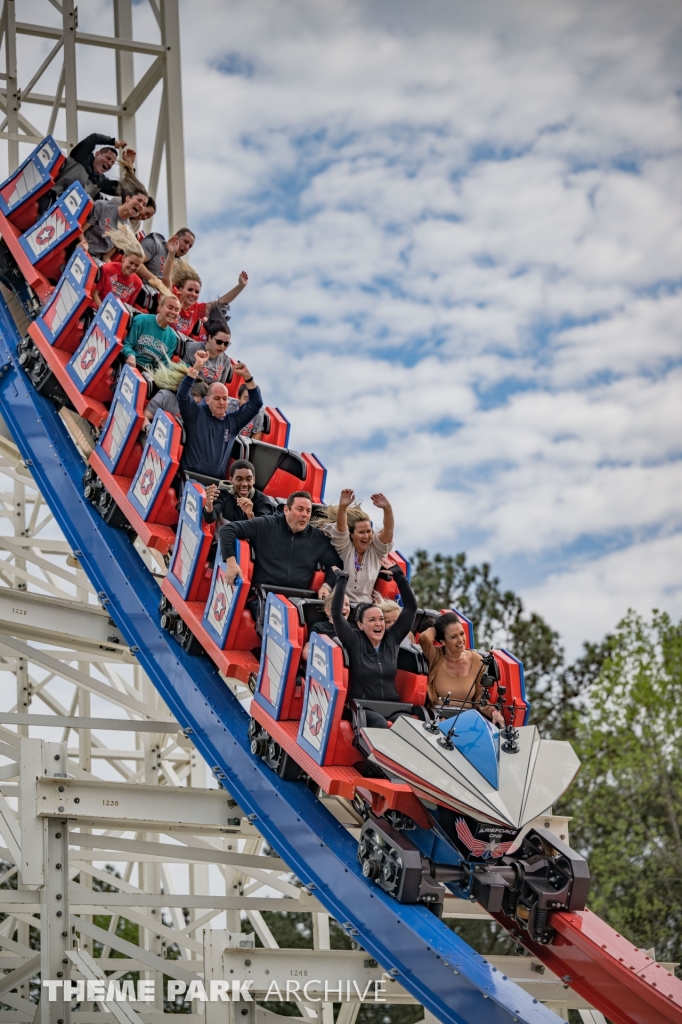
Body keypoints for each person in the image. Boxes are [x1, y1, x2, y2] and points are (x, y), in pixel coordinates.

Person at [330, 564, 420, 728]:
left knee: (410, 725)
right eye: (372, 620)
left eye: (381, 619)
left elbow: (411, 608)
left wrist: (400, 577)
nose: (378, 624)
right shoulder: (354, 640)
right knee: (380, 724)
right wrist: (342, 581)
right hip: (362, 707)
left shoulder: (391, 639)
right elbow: (336, 614)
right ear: (360, 625)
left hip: (392, 706)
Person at [219, 491, 343, 601]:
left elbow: (336, 564)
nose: (305, 514)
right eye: (300, 509)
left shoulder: (317, 538)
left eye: (308, 511)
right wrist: (231, 563)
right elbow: (227, 530)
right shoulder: (267, 524)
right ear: (286, 510)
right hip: (264, 597)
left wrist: (327, 586)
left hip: (299, 600)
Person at [177, 354, 262, 479]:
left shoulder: (233, 421)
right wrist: (197, 366)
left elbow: (256, 403)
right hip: (189, 478)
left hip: (216, 484)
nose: (221, 402)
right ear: (207, 400)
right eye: (217, 398)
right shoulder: (195, 413)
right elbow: (182, 395)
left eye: (225, 399)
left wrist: (247, 377)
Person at [419, 613, 504, 726]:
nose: (460, 640)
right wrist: (437, 628)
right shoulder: (436, 655)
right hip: (438, 718)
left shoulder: (477, 660)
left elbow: (479, 699)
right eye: (453, 637)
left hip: (468, 720)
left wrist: (493, 712)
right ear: (443, 641)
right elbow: (423, 638)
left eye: (462, 634)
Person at [317, 489, 394, 605]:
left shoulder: (376, 551)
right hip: (340, 606)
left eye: (369, 531)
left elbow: (388, 532)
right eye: (361, 532)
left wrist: (387, 509)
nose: (366, 536)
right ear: (351, 534)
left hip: (364, 609)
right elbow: (341, 529)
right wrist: (342, 507)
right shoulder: (345, 547)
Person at [170, 263, 248, 339]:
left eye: (197, 292)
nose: (193, 294)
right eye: (190, 290)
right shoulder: (171, 295)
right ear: (180, 289)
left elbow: (220, 303)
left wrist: (241, 286)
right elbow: (166, 278)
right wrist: (171, 254)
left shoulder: (197, 309)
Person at [51, 134, 135, 200]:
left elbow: (125, 189)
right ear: (97, 154)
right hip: (51, 197)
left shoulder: (101, 182)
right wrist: (114, 142)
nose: (109, 163)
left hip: (64, 214)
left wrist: (129, 165)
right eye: (108, 158)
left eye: (112, 163)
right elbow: (94, 138)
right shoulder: (81, 156)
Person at [203, 460, 277, 525]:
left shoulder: (263, 501)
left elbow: (261, 534)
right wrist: (209, 505)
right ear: (231, 479)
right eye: (239, 479)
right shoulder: (222, 494)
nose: (244, 484)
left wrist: (250, 514)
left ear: (253, 480)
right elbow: (210, 519)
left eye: (248, 479)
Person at [83, 189, 148, 260]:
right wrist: (83, 242)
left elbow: (106, 257)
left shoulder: (127, 232)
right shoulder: (103, 206)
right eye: (139, 200)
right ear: (128, 198)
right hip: (81, 247)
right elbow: (81, 229)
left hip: (94, 260)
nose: (141, 205)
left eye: (144, 205)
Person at [122, 294, 182, 369]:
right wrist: (130, 355)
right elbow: (127, 344)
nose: (173, 312)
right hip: (129, 365)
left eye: (176, 310)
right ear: (160, 308)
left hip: (149, 374)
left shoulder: (173, 338)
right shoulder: (141, 320)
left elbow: (164, 364)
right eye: (170, 308)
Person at [92, 224, 144, 307]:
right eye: (131, 263)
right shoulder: (108, 268)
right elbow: (95, 294)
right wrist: (103, 312)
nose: (133, 267)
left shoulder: (138, 283)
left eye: (137, 265)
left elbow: (127, 307)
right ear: (124, 258)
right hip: (97, 308)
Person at [185, 306, 233, 384]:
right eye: (219, 342)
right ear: (210, 337)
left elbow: (220, 387)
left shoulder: (226, 361)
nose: (222, 346)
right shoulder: (191, 348)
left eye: (226, 344)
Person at [302, 588, 351, 661]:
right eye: (339, 604)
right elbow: (306, 652)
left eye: (347, 605)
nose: (344, 607)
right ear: (328, 611)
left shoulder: (353, 629)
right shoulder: (319, 627)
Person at [143, 378, 208, 425]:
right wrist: (148, 429)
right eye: (196, 403)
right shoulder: (165, 397)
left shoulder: (200, 416)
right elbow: (144, 418)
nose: (196, 407)